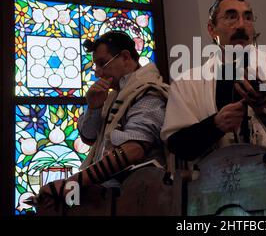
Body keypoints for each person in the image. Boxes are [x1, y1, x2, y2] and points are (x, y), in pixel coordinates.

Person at [161, 0, 266, 166]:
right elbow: (177, 146)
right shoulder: (188, 83)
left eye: (248, 17)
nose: (241, 25)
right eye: (231, 17)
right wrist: (215, 125)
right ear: (212, 29)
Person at [37, 31, 169, 210]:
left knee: (56, 199)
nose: (98, 72)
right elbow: (89, 138)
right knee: (49, 199)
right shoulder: (114, 95)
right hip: (106, 187)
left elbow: (134, 150)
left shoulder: (149, 93)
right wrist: (93, 107)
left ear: (125, 57)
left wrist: (74, 182)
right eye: (96, 66)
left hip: (132, 194)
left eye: (102, 63)